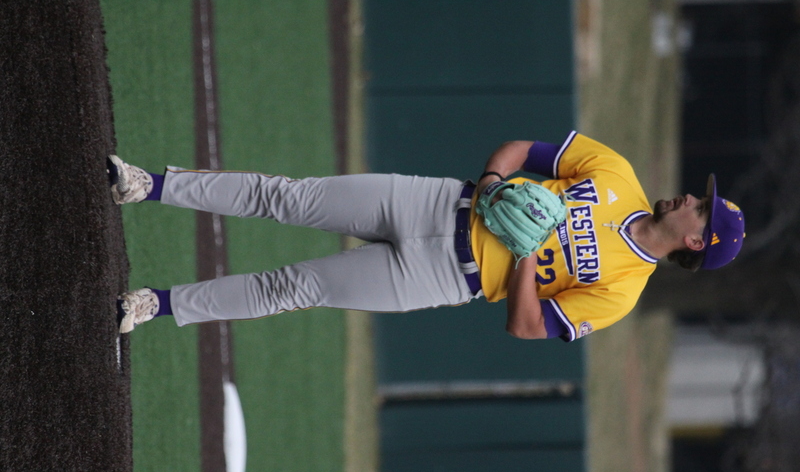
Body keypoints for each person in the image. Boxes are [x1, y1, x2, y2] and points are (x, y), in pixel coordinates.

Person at [112, 131, 745, 340]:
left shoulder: (624, 290)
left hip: (444, 278)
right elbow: (526, 147)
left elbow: (528, 327)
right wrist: (497, 178)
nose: (691, 198)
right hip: (437, 201)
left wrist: (525, 258)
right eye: (701, 196)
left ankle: (156, 305)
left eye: (702, 208)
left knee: (291, 286)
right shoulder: (618, 174)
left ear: (696, 242)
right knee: (286, 196)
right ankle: (148, 185)